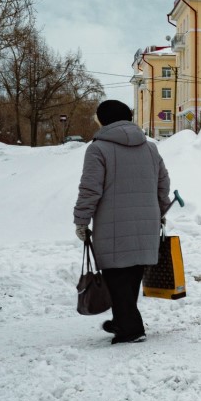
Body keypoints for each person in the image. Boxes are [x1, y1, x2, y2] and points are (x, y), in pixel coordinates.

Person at [73, 100, 172, 344]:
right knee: (132, 277)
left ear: (103, 119)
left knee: (116, 277)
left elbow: (90, 189)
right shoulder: (150, 148)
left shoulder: (97, 149)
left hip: (113, 225)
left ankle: (131, 328)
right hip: (147, 223)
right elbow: (163, 183)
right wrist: (161, 210)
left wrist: (81, 221)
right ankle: (122, 321)